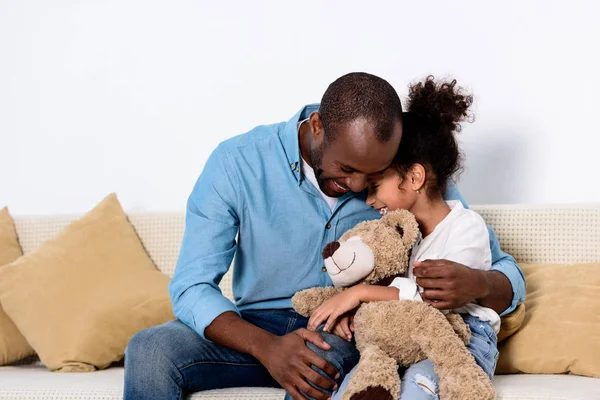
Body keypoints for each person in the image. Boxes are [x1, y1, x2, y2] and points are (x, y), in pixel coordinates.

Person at [123, 72, 525, 400]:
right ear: (317, 127)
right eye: (346, 168)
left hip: (345, 329)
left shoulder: (401, 170)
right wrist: (265, 346)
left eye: (372, 177)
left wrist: (481, 282)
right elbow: (192, 286)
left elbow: (500, 268)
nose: (356, 187)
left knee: (317, 362)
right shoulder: (237, 164)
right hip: (254, 325)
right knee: (150, 350)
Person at [308, 76, 500, 399]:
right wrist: (352, 312)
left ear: (414, 177)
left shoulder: (466, 227)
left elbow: (432, 300)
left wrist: (356, 295)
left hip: (461, 336)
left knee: (419, 386)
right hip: (408, 336)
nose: (367, 200)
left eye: (375, 186)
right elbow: (394, 295)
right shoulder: (403, 236)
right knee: (357, 385)